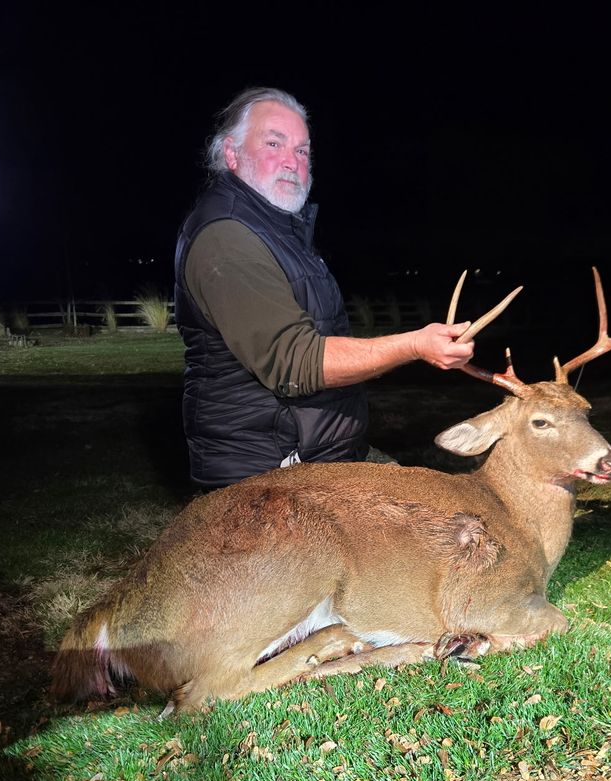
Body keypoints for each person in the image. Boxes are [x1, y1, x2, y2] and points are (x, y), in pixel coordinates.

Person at [173, 87, 475, 488]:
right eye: (274, 143)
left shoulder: (277, 230)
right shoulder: (229, 238)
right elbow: (297, 363)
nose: (291, 162)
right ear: (231, 154)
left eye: (302, 150)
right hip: (270, 478)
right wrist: (415, 345)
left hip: (319, 457)